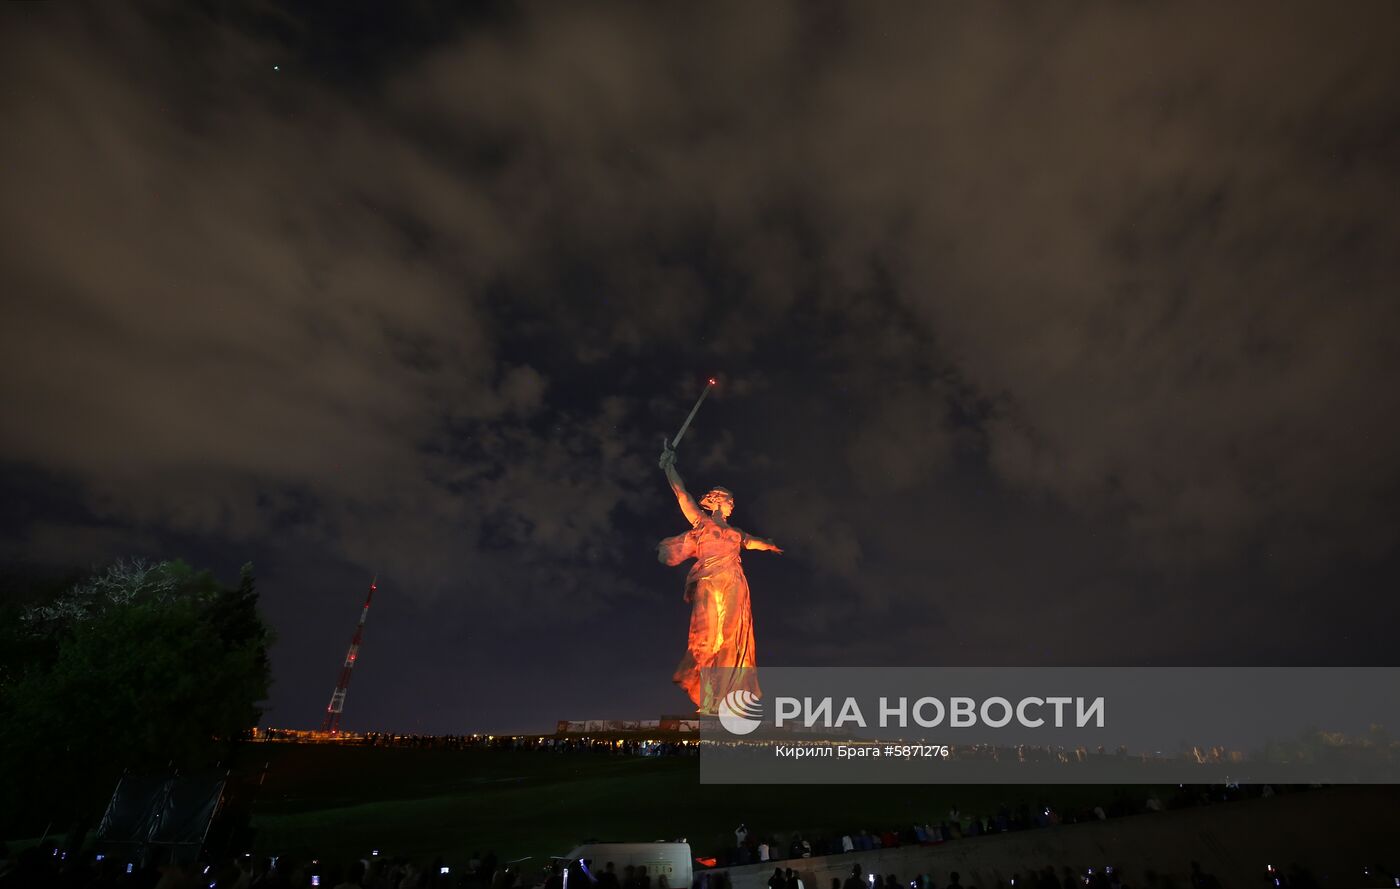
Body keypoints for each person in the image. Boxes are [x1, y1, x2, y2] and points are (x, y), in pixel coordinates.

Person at [659, 445, 782, 713]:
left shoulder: (736, 532)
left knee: (730, 637)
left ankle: (724, 699)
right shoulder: (702, 523)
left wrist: (769, 545)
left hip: (734, 579)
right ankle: (708, 695)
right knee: (706, 638)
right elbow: (682, 495)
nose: (732, 504)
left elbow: (753, 542)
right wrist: (669, 466)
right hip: (708, 579)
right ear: (716, 500)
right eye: (729, 500)